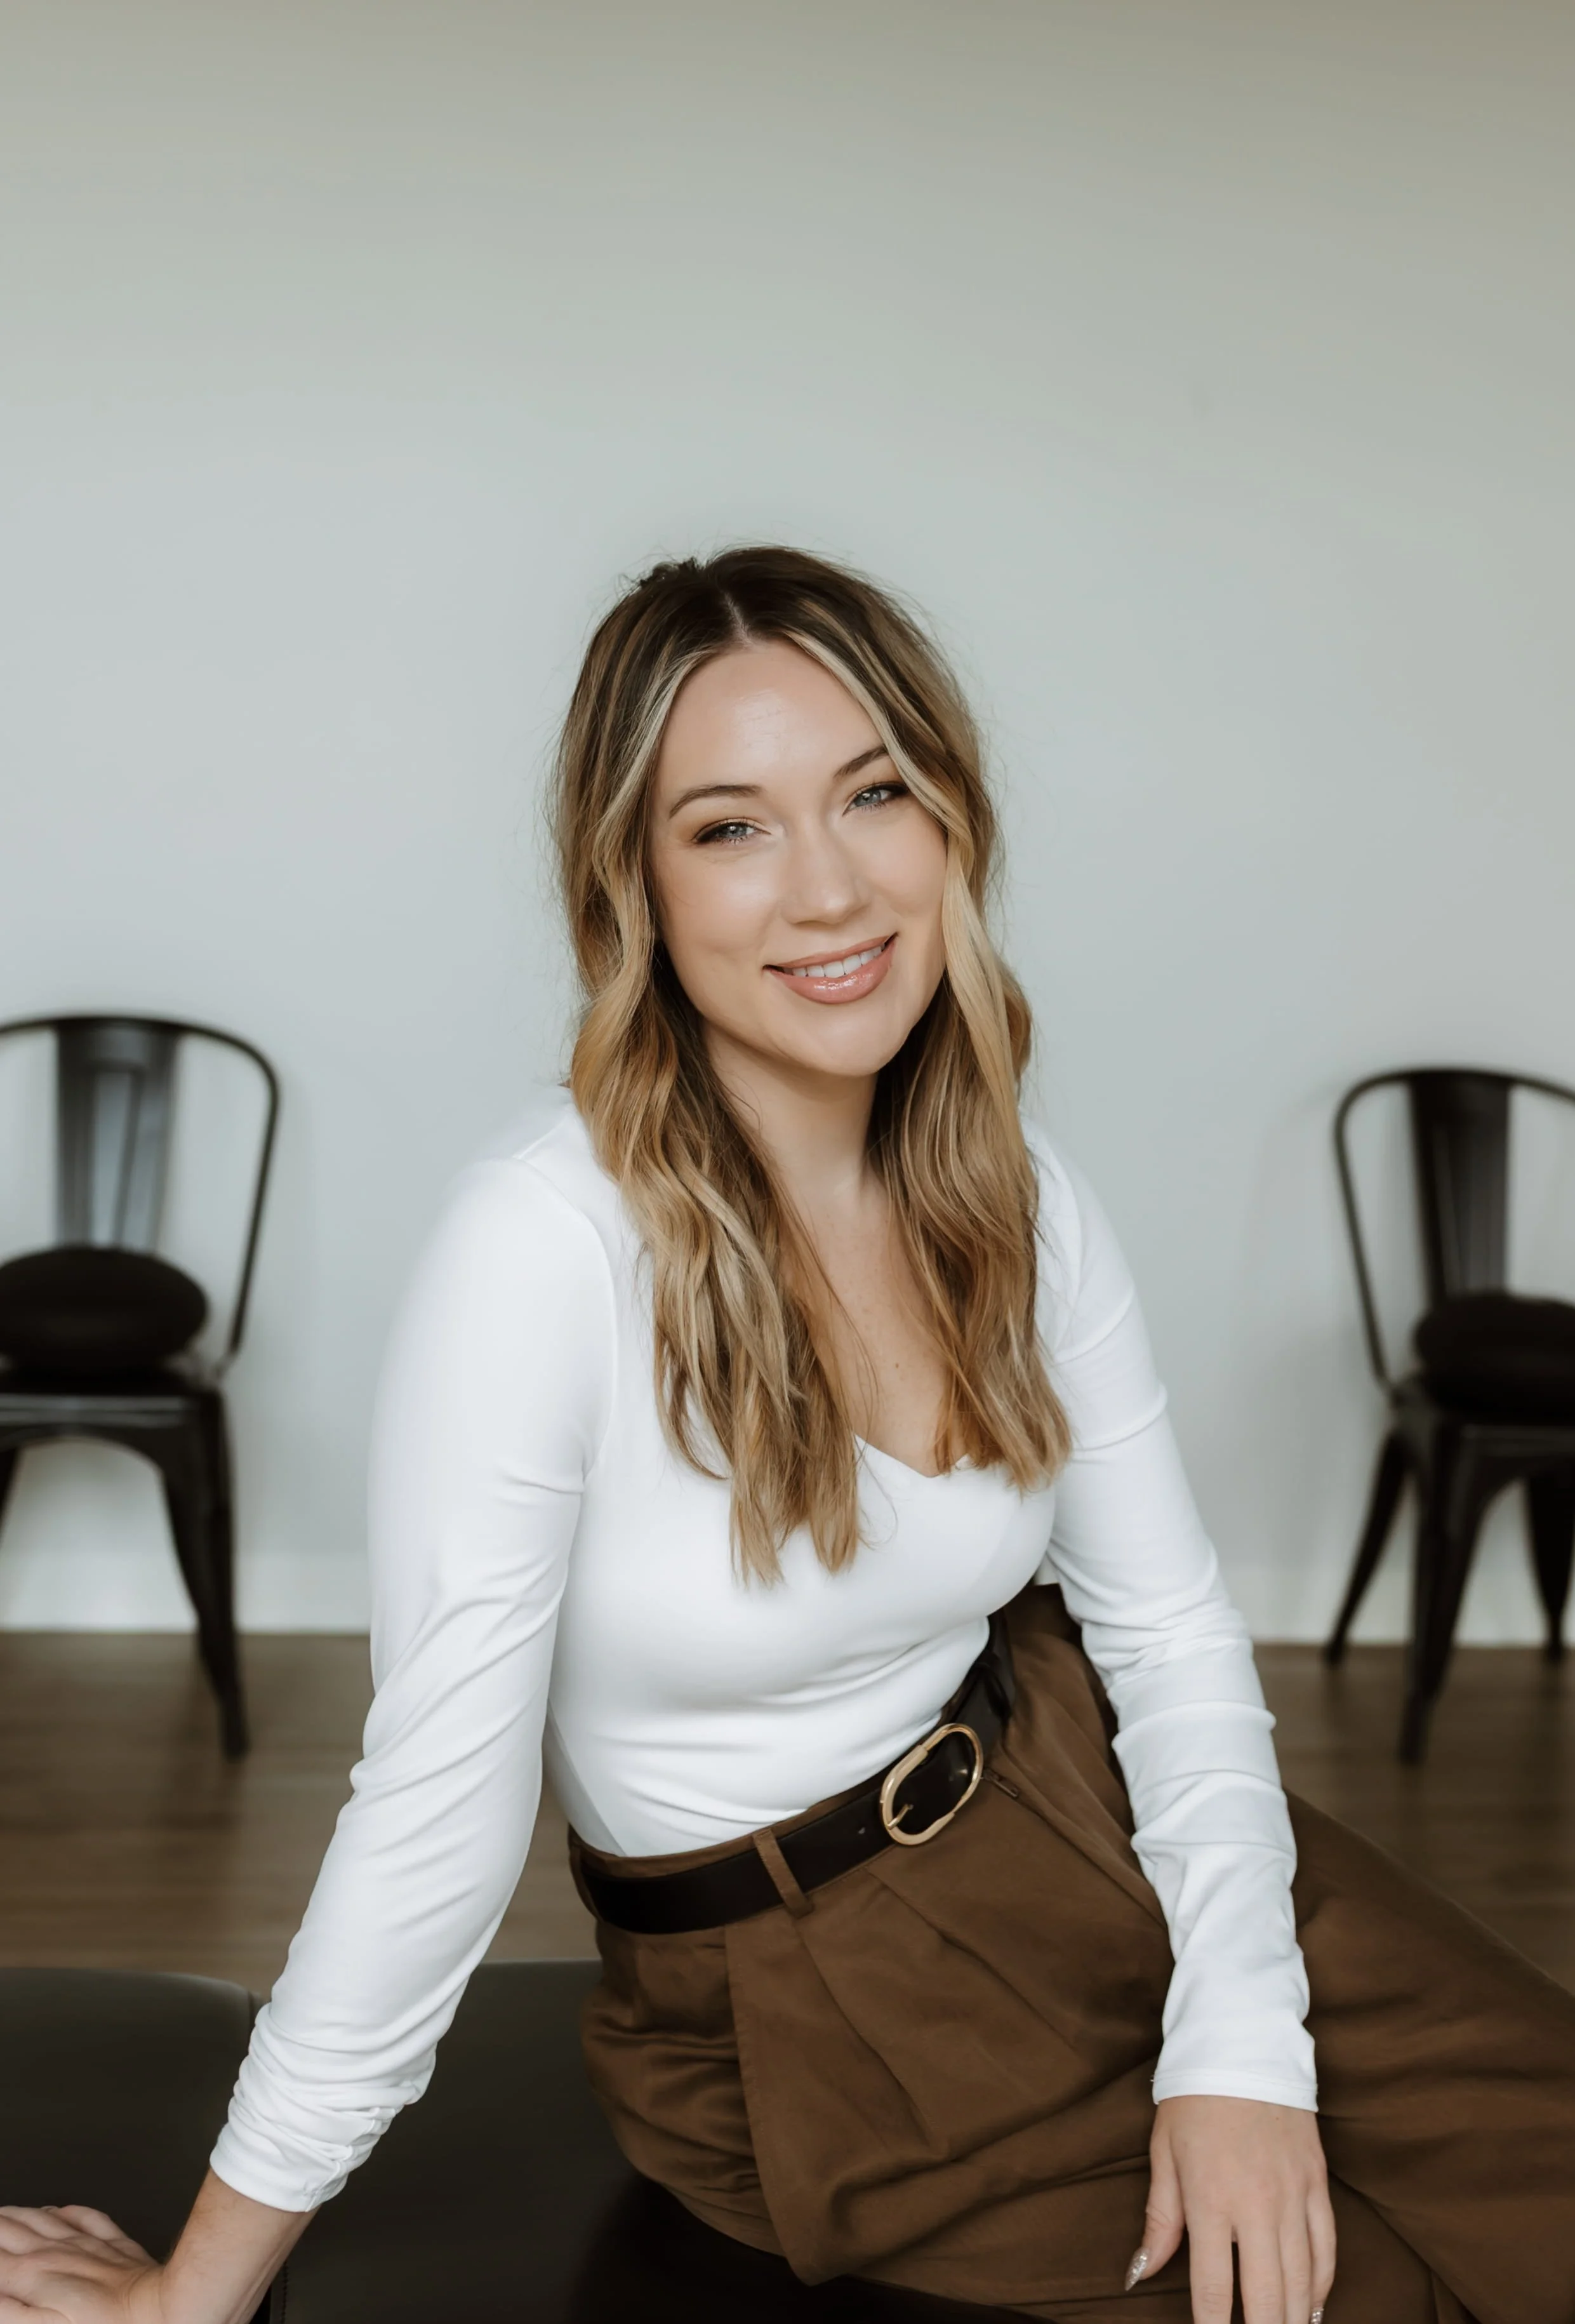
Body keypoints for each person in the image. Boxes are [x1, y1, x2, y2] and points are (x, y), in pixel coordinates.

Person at [3, 546, 1573, 2324]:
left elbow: (1169, 1628)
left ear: (953, 818)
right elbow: (432, 1821)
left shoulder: (1016, 1189)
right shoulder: (544, 1242)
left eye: (874, 792)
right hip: (817, 2003)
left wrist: (1241, 2036)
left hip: (1097, 1812)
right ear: (635, 886)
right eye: (732, 827)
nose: (829, 887)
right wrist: (190, 2296)